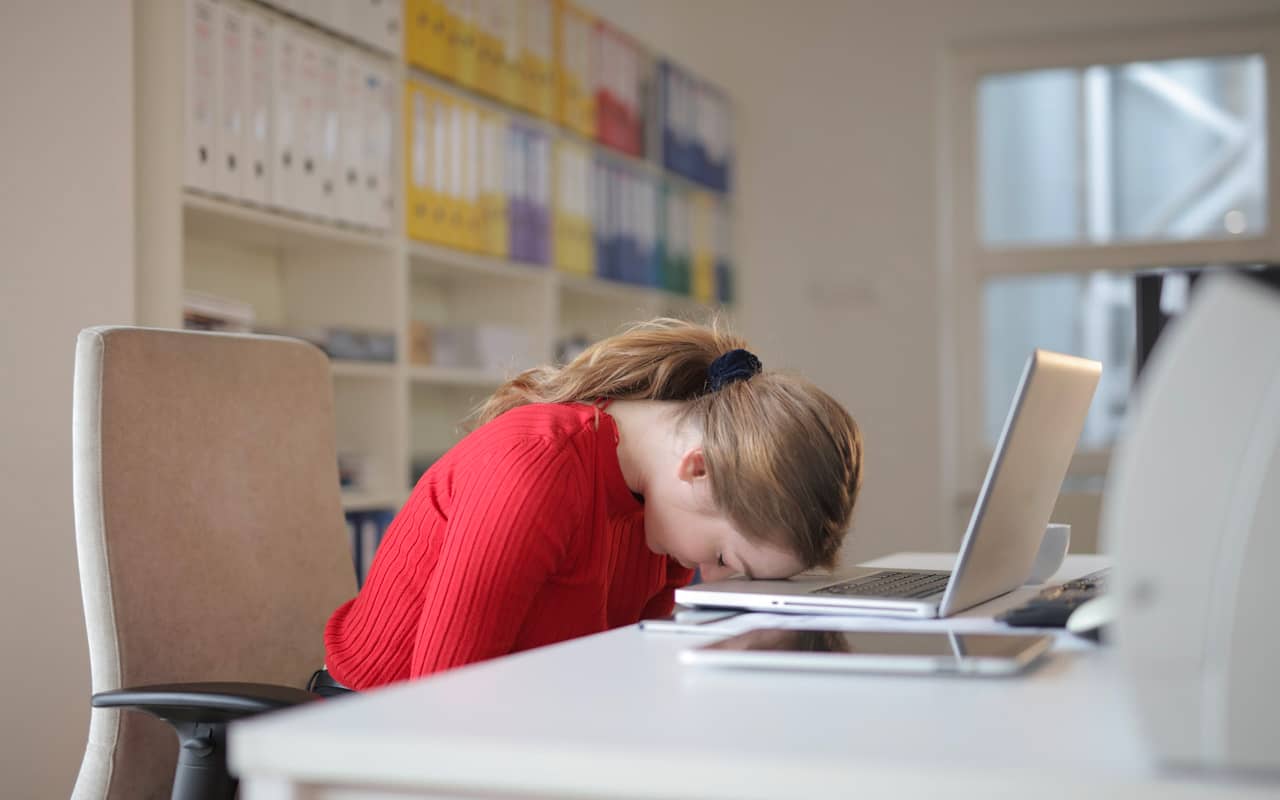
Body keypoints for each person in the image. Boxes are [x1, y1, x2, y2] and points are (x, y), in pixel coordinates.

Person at [318, 317, 863, 691]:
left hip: (520, 720)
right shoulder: (535, 468)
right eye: (725, 559)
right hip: (373, 731)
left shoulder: (663, 510)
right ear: (698, 469)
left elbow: (627, 673)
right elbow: (443, 707)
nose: (713, 580)